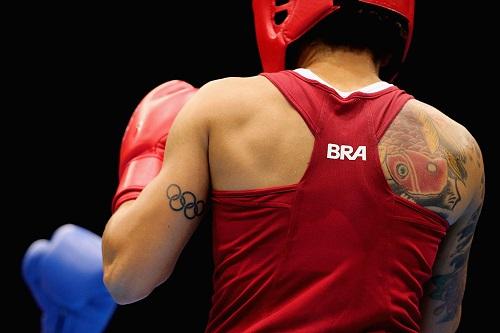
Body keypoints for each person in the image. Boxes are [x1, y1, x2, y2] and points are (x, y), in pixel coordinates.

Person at [102, 0, 485, 332]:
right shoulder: (457, 149)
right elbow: (439, 322)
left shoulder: (225, 107)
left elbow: (128, 278)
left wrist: (145, 164)